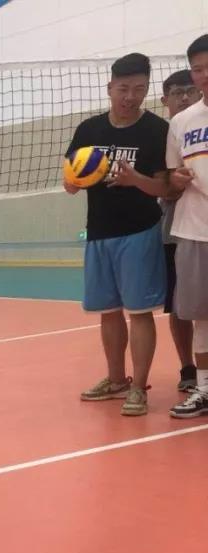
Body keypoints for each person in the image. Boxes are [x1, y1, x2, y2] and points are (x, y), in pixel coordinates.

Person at [64, 53, 171, 416]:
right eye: (123, 88)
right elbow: (70, 182)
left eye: (139, 89)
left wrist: (134, 179)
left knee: (139, 312)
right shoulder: (89, 130)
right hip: (98, 232)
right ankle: (115, 380)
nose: (130, 96)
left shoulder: (156, 130)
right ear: (109, 87)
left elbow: (166, 188)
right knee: (108, 312)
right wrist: (76, 180)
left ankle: (138, 388)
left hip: (139, 232)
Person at [166, 34, 208, 419]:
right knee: (200, 315)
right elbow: (170, 177)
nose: (204, 75)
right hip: (195, 230)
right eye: (198, 69)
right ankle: (205, 388)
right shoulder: (181, 122)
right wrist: (175, 180)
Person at [160, 69, 202, 393]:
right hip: (175, 230)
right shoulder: (164, 133)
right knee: (180, 305)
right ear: (166, 100)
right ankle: (189, 368)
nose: (184, 97)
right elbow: (164, 187)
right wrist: (172, 183)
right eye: (177, 92)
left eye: (189, 90)